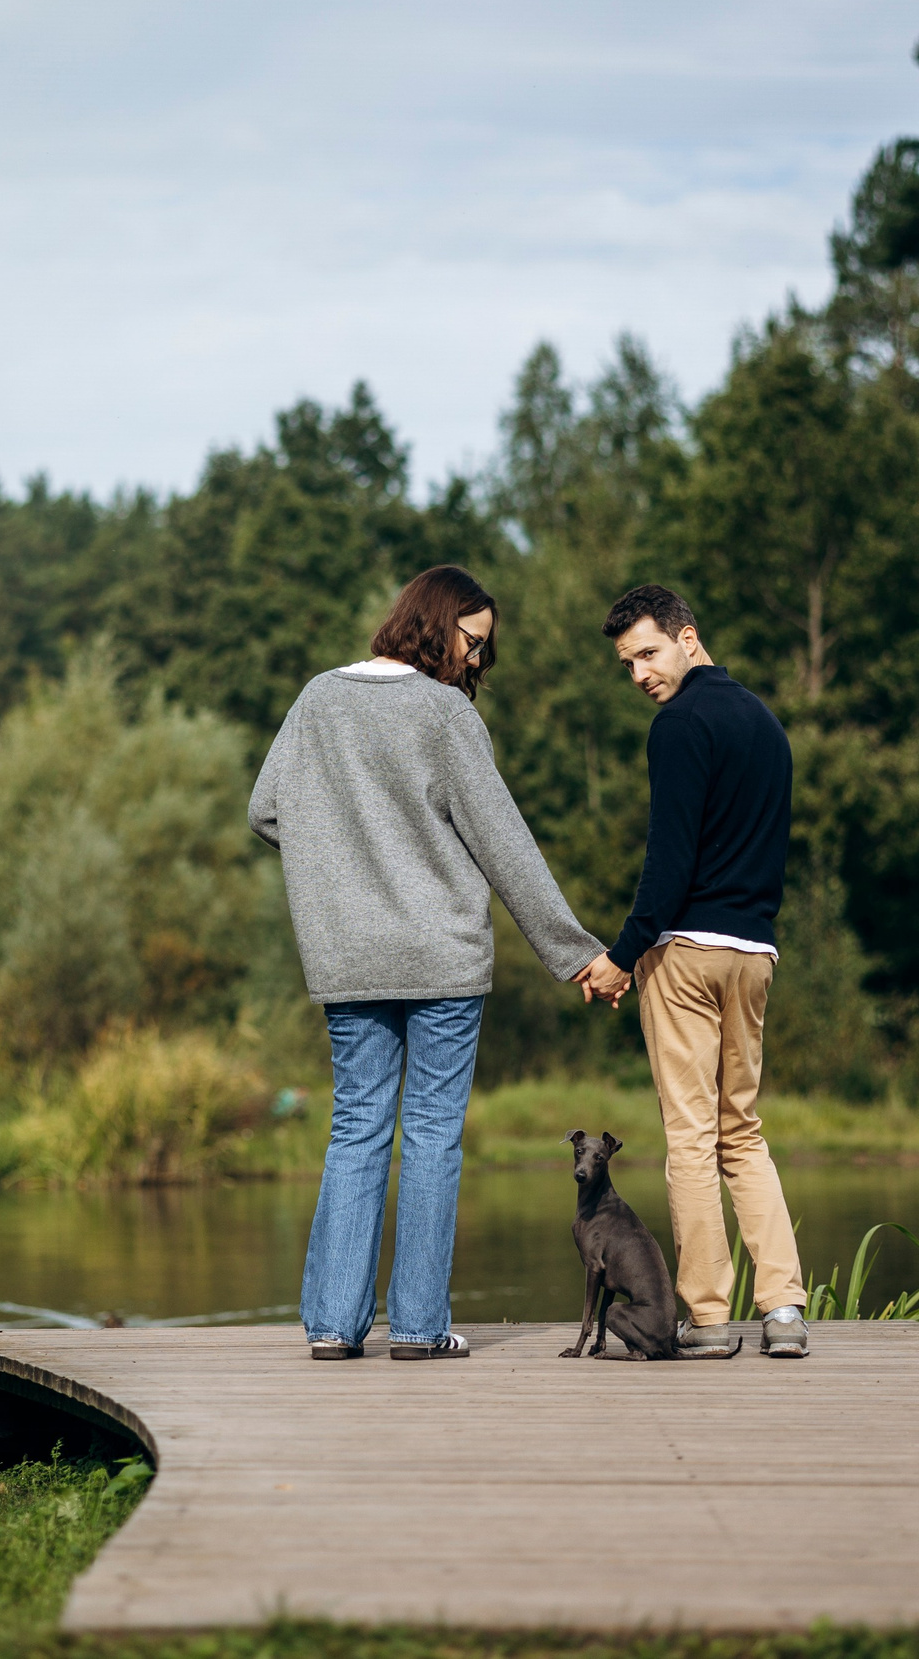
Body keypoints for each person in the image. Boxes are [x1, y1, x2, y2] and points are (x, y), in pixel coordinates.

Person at [251, 565, 606, 1362]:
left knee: (355, 1129)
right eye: (472, 641)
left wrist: (338, 866)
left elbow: (266, 808)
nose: (475, 661)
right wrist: (576, 953)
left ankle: (332, 1329)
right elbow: (504, 845)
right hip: (441, 954)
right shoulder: (443, 714)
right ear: (435, 622)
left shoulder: (316, 698)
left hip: (348, 956)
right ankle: (416, 1327)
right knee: (434, 1134)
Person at [576, 584, 809, 1358]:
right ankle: (782, 1311)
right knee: (742, 1131)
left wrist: (620, 955)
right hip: (755, 953)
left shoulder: (678, 726)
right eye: (628, 662)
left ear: (687, 637)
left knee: (691, 1137)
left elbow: (668, 861)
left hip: (684, 952)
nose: (640, 673)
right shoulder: (766, 724)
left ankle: (707, 1318)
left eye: (648, 652)